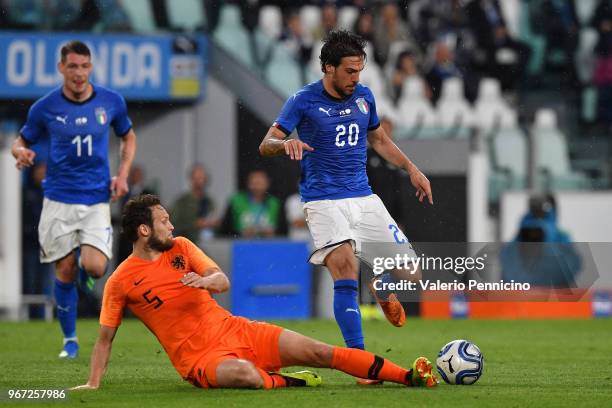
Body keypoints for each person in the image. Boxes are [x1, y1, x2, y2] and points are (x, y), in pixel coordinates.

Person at [71, 194, 438, 390]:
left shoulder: (182, 247)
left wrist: (205, 282)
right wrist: (92, 383)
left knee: (320, 351)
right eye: (164, 220)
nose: (172, 223)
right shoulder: (121, 281)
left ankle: (408, 376)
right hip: (199, 361)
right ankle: (289, 381)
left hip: (236, 330)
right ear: (144, 231)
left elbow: (221, 280)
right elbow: (105, 339)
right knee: (245, 375)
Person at [258, 30, 433, 383]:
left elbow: (380, 140)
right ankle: (361, 363)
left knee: (414, 276)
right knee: (345, 268)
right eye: (350, 72)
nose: (357, 78)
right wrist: (285, 144)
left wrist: (412, 168)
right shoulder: (302, 100)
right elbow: (266, 143)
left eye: (359, 71)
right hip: (323, 201)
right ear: (328, 68)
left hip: (364, 199)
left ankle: (381, 285)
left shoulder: (365, 97)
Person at [11, 40, 137, 359]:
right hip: (58, 199)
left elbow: (128, 136)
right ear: (61, 68)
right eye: (72, 67)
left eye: (84, 66)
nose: (79, 73)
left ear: (91, 67)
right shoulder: (45, 107)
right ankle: (70, 339)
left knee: (96, 268)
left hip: (96, 198)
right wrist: (19, 151)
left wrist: (122, 174)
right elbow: (22, 140)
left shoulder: (111, 101)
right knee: (63, 269)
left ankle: (84, 265)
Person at [218, 169, 281, 239]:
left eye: (260, 183)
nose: (257, 187)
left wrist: (272, 232)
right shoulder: (236, 201)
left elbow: (282, 230)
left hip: (268, 244)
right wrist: (240, 232)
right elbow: (225, 228)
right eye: (254, 183)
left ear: (267, 184)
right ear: (248, 184)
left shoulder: (274, 203)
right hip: (240, 244)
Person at [171, 163, 216, 244]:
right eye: (197, 178)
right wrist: (195, 224)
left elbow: (214, 217)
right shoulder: (182, 201)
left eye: (202, 178)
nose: (200, 181)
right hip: (186, 243)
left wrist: (213, 223)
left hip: (206, 242)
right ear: (191, 179)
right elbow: (173, 224)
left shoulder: (209, 201)